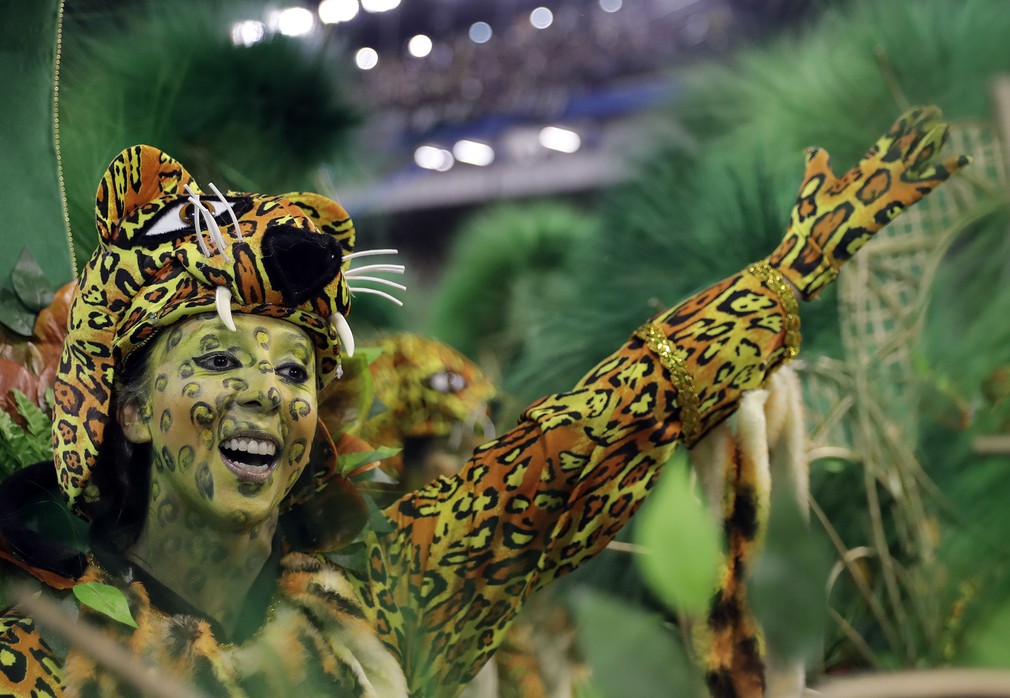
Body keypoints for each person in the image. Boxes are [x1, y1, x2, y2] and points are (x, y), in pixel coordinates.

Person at [0, 107, 967, 697]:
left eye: (295, 371)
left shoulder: (387, 600)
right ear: (126, 406)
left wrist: (792, 273)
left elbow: (586, 440)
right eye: (217, 358)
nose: (265, 393)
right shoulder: (37, 651)